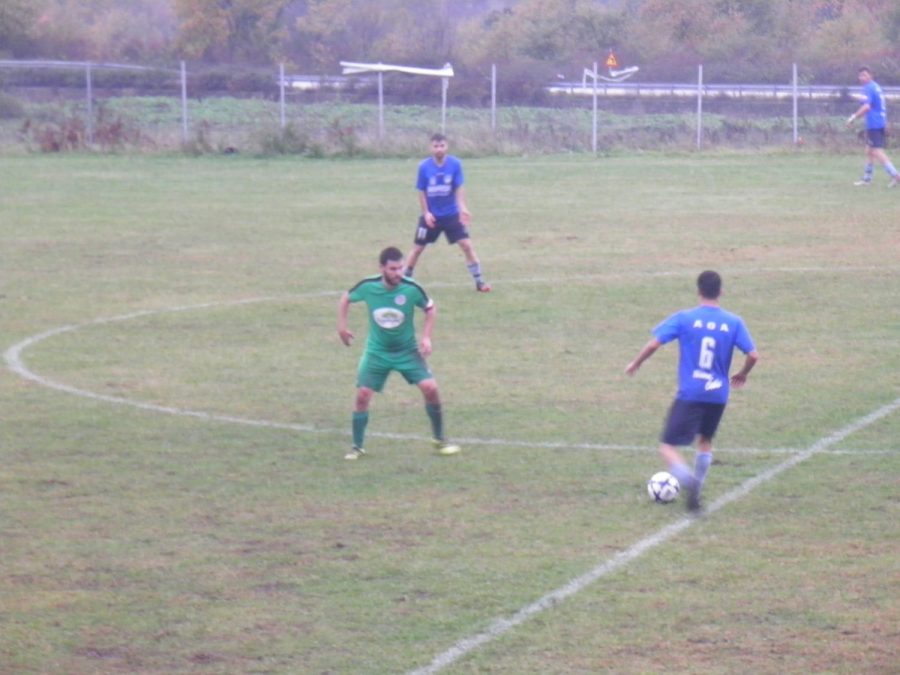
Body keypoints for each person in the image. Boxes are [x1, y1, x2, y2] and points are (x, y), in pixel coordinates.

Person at [624, 271, 759, 512]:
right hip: (717, 392)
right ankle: (697, 491)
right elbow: (753, 354)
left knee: (667, 446)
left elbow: (655, 342)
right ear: (721, 291)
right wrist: (743, 373)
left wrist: (637, 363)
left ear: (698, 291)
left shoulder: (684, 318)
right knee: (705, 441)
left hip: (692, 391)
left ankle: (689, 482)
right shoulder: (734, 322)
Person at [337, 246, 461, 460]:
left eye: (400, 268)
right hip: (377, 352)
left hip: (407, 350)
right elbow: (346, 298)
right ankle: (357, 447)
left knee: (431, 388)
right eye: (393, 269)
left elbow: (430, 308)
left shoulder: (411, 288)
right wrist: (342, 327)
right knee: (363, 395)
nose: (398, 273)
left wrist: (426, 337)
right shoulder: (368, 287)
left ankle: (440, 440)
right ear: (382, 268)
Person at [403, 133, 492, 292]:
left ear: (447, 146)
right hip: (432, 217)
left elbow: (458, 188)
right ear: (431, 148)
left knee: (466, 245)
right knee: (417, 249)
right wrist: (426, 212)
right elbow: (422, 191)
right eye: (436, 146)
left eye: (442, 146)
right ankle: (403, 281)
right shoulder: (423, 167)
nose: (439, 149)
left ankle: (479, 282)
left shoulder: (455, 164)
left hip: (451, 214)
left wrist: (462, 208)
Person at [846, 66, 899, 188]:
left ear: (871, 75)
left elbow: (866, 107)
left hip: (874, 123)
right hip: (879, 121)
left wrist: (853, 118)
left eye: (864, 75)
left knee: (876, 151)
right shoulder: (875, 86)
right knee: (869, 150)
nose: (861, 78)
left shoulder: (868, 88)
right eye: (860, 75)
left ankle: (895, 175)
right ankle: (867, 179)